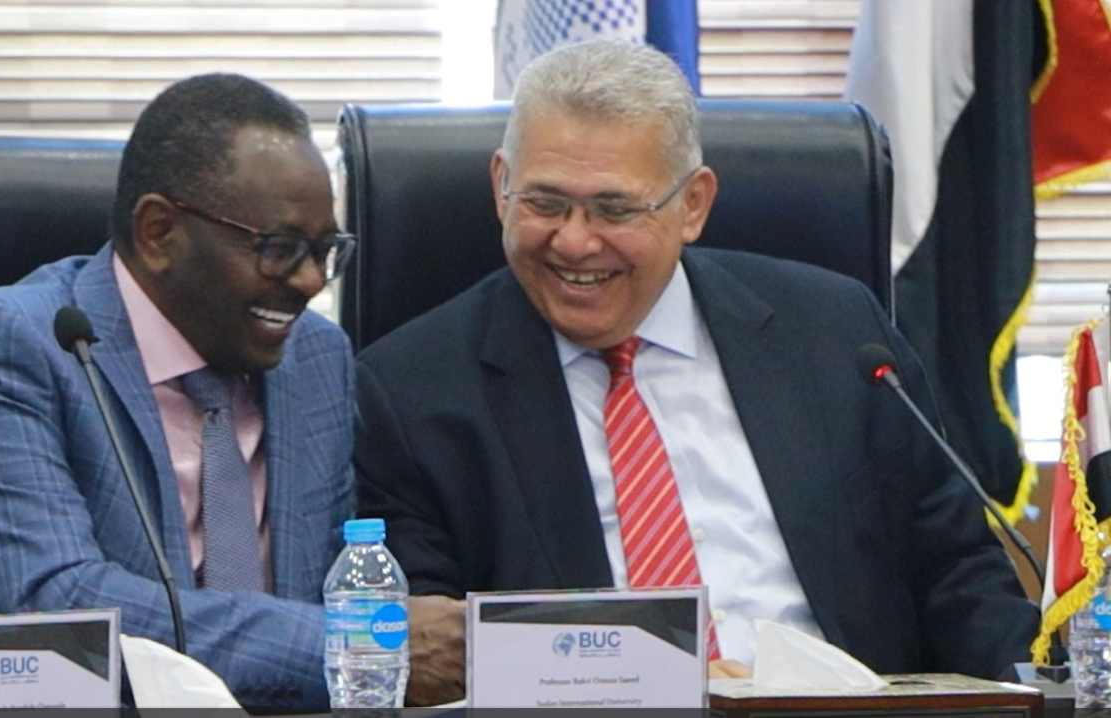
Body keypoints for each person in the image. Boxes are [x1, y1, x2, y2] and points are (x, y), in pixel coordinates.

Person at [353, 40, 1037, 681]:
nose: (575, 242)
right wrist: (664, 677)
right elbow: (428, 654)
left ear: (693, 205)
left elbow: (959, 578)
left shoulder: (836, 334)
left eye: (614, 209)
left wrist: (1042, 688)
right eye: (545, 202)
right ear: (501, 184)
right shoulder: (410, 392)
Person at [0, 73, 463, 710]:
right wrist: (355, 644)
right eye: (279, 249)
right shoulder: (11, 345)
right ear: (159, 232)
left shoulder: (314, 358)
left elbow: (328, 587)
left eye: (325, 251)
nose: (309, 282)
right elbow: (60, 611)